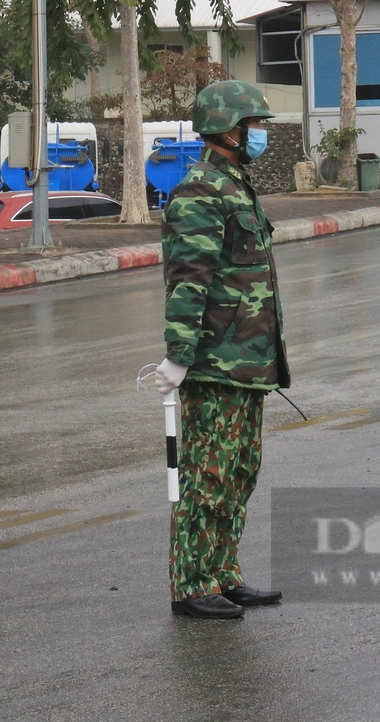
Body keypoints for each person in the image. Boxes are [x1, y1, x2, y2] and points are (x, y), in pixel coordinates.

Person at [144, 79, 288, 620]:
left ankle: (223, 573)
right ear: (229, 129)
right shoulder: (201, 191)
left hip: (247, 362)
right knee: (206, 476)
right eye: (254, 126)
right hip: (213, 363)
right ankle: (191, 583)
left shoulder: (234, 186)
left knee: (239, 471)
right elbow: (190, 280)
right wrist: (179, 355)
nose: (260, 135)